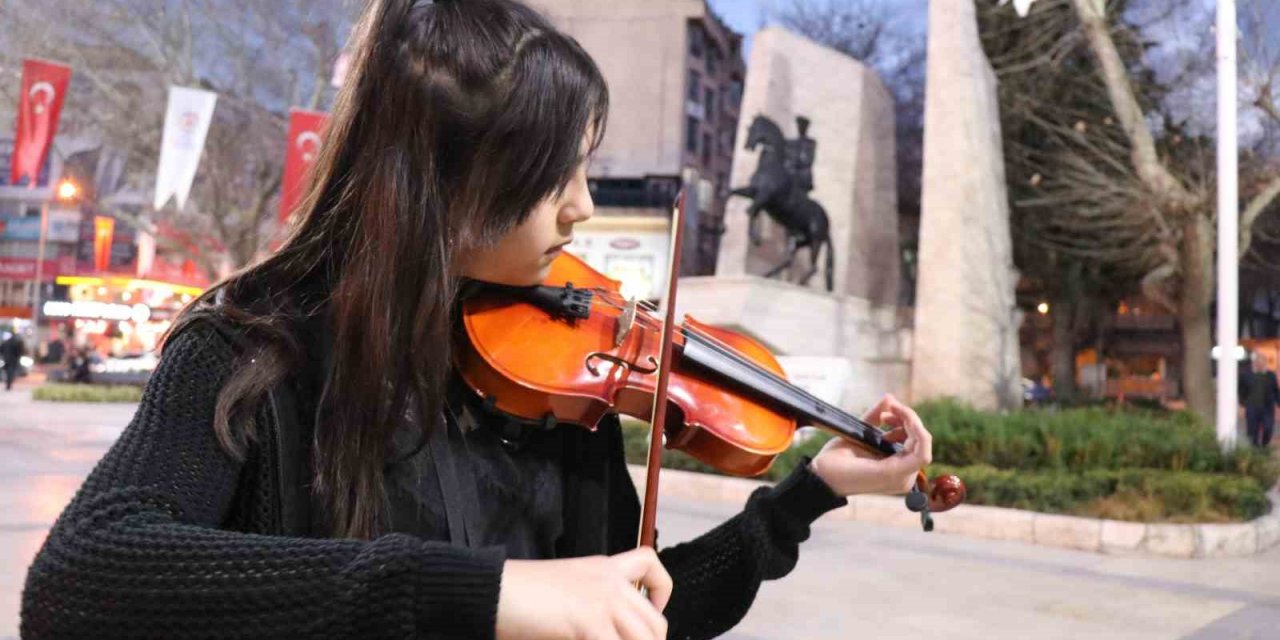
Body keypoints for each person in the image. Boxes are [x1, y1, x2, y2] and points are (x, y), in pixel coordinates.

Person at [21, 2, 934, 638]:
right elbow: (81, 582)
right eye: (555, 175)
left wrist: (810, 494)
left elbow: (633, 611)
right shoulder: (252, 351)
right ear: (444, 184)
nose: (580, 208)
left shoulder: (552, 383)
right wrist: (483, 596)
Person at [1239, 354, 1279, 448]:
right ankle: (1255, 449)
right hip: (1252, 407)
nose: (1260, 364)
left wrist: (1278, 402)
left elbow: (1276, 390)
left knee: (1268, 428)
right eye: (1258, 362)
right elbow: (1241, 390)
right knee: (1252, 431)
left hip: (1267, 408)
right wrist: (1242, 404)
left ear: (1265, 363)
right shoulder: (1246, 375)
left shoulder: (1271, 375)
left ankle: (1265, 444)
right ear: (1255, 363)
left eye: (1262, 362)